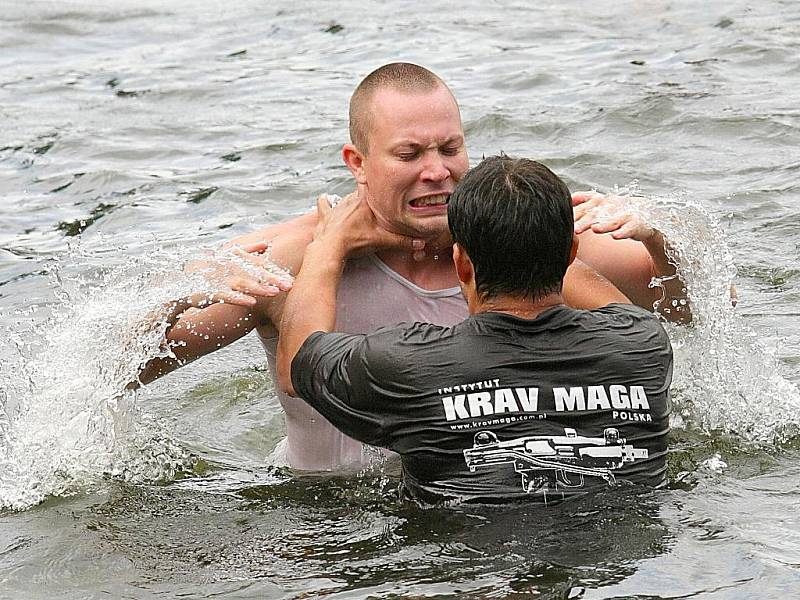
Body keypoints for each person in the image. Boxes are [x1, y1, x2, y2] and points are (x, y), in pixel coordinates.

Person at [136, 63, 684, 471]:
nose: (437, 172)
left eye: (450, 148)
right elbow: (134, 368)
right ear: (358, 163)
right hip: (325, 518)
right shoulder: (294, 258)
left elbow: (691, 308)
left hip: (474, 508)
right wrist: (183, 290)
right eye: (410, 154)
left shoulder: (524, 245)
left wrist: (659, 238)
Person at [276, 155, 673, 504]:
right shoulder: (642, 342)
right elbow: (611, 304)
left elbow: (298, 360)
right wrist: (540, 243)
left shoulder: (405, 364)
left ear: (462, 264)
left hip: (466, 570)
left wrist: (328, 246)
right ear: (571, 253)